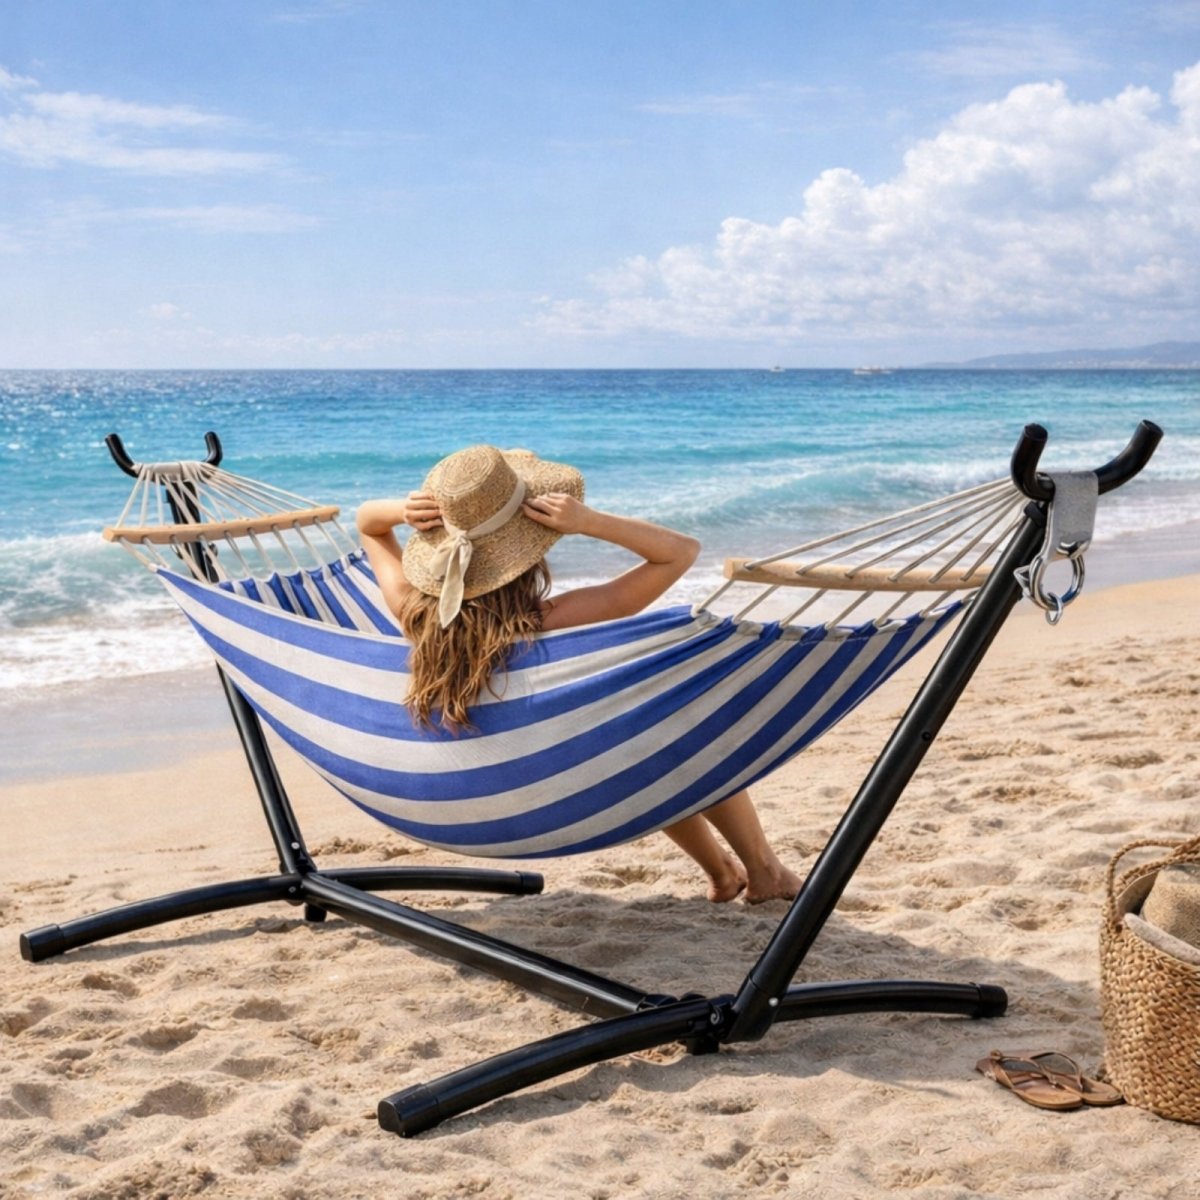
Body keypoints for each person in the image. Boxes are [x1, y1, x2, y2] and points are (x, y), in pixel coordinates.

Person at [357, 444, 802, 904]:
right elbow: (680, 552)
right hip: (581, 776)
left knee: (634, 738)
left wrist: (400, 509)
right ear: (528, 554)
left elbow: (368, 527)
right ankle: (763, 867)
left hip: (485, 795)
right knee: (671, 731)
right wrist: (588, 522)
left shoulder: (411, 611)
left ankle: (722, 874)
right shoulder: (554, 620)